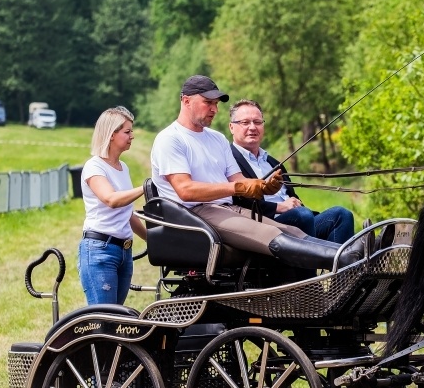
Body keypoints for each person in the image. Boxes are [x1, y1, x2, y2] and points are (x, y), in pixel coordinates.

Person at [150, 75, 364, 271]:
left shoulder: (217, 138)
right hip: (194, 215)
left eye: (215, 104)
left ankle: (354, 255)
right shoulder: (171, 138)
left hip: (227, 208)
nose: (214, 109)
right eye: (208, 102)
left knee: (294, 233)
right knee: (272, 235)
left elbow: (239, 180)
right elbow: (186, 190)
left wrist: (262, 187)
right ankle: (350, 258)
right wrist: (239, 187)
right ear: (186, 101)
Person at [229, 99, 355, 244]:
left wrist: (295, 204)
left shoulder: (273, 163)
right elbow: (239, 203)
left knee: (341, 215)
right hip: (266, 227)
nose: (252, 127)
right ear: (232, 127)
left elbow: (293, 197)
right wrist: (280, 207)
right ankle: (353, 250)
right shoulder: (230, 160)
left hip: (299, 220)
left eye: (257, 122)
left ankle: (347, 261)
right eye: (245, 123)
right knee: (302, 215)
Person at [78, 106, 147, 305]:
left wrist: (151, 239)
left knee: (116, 319)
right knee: (104, 319)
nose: (132, 136)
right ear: (111, 135)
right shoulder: (94, 167)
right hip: (101, 250)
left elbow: (127, 212)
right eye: (127, 131)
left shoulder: (122, 167)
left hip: (124, 252)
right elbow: (112, 199)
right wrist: (144, 187)